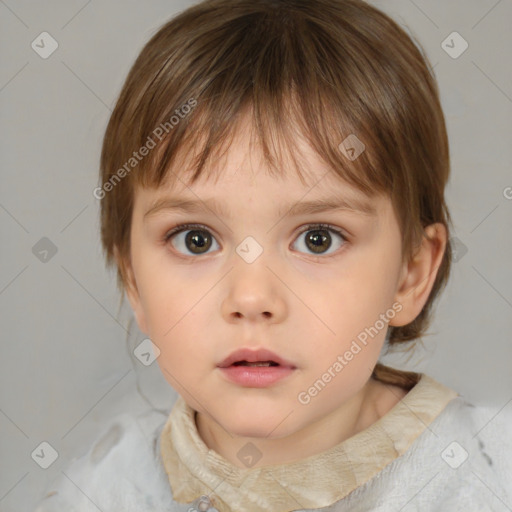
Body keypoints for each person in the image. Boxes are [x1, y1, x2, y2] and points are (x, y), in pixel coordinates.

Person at [34, 0, 512, 510]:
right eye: (196, 239)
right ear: (134, 281)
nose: (252, 298)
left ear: (410, 274)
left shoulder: (489, 474)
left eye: (318, 239)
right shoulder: (104, 488)